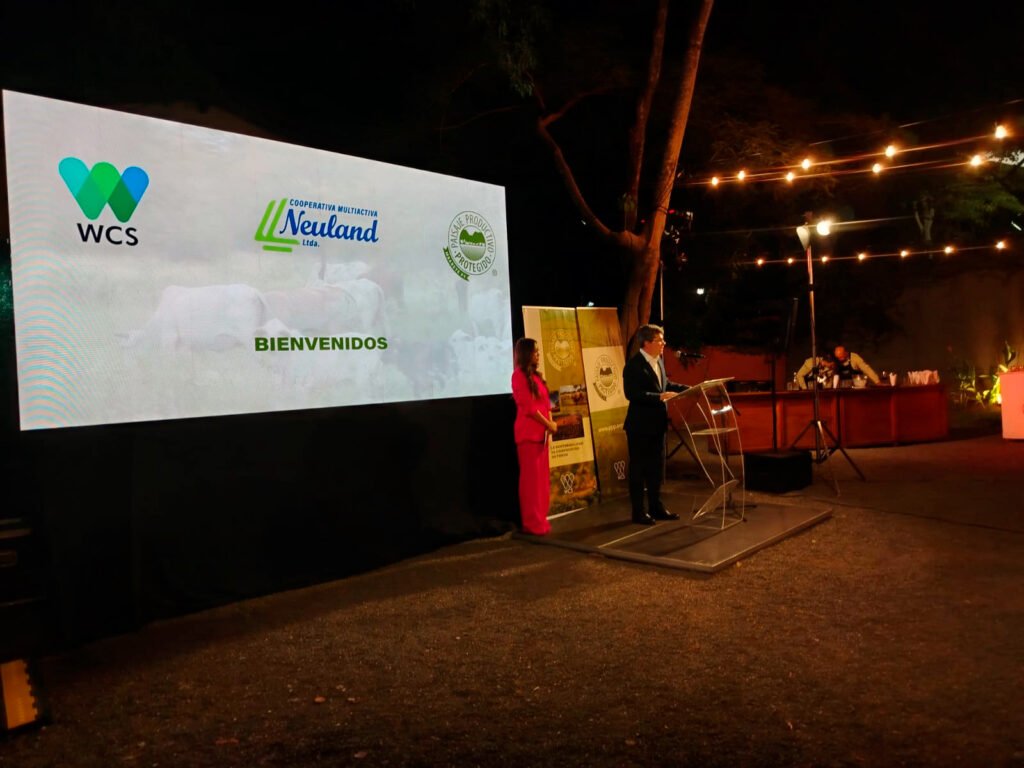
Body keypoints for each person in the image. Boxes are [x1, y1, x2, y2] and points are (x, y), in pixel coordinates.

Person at [623, 324, 689, 525]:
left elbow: (665, 385)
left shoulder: (659, 361)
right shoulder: (634, 365)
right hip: (640, 427)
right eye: (660, 340)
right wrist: (659, 397)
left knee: (656, 468)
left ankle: (656, 506)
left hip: (658, 425)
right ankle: (638, 512)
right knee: (639, 469)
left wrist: (689, 389)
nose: (664, 344)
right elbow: (632, 394)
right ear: (646, 343)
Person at [511, 337, 558, 535]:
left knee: (542, 481)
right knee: (531, 482)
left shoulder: (537, 377)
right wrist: (548, 424)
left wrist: (550, 426)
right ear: (526, 353)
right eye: (535, 351)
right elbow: (529, 408)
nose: (538, 354)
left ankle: (541, 518)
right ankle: (532, 522)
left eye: (538, 351)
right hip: (528, 435)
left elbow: (547, 404)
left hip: (542, 435)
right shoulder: (518, 376)